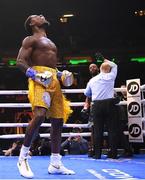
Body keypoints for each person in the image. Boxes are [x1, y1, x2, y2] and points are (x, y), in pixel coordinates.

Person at [16, 14, 75, 178]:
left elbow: (51, 67)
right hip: (39, 79)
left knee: (57, 120)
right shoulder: (30, 39)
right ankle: (23, 158)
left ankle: (55, 163)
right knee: (40, 115)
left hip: (53, 79)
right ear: (32, 23)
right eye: (37, 16)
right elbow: (20, 61)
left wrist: (62, 74)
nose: (42, 16)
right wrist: (35, 75)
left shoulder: (50, 41)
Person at [84, 59, 119, 159]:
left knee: (97, 130)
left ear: (100, 69)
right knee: (112, 129)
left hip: (97, 105)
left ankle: (97, 154)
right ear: (108, 70)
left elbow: (86, 93)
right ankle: (113, 153)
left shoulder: (92, 80)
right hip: (109, 104)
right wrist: (106, 60)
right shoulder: (111, 76)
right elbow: (115, 65)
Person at [81, 63, 99, 157]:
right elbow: (88, 96)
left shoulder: (104, 77)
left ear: (98, 68)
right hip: (94, 106)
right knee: (93, 128)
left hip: (105, 104)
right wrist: (85, 107)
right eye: (90, 67)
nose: (92, 68)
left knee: (110, 128)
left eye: (94, 67)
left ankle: (111, 149)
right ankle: (94, 149)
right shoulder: (91, 81)